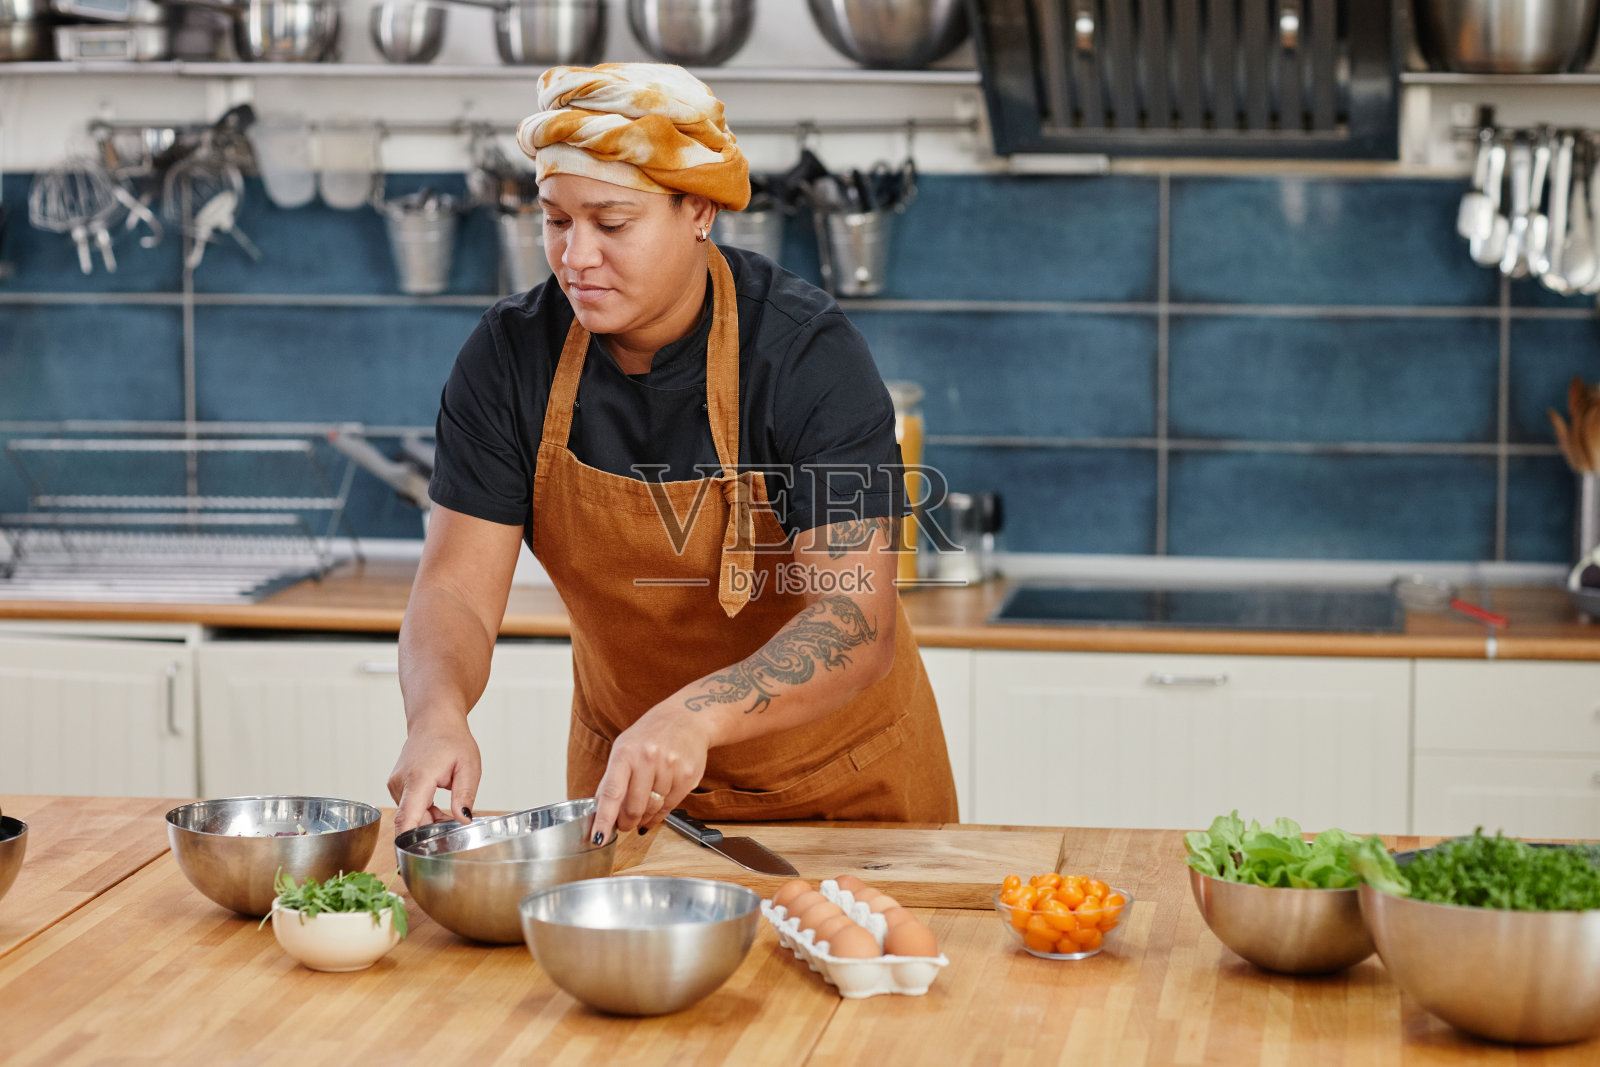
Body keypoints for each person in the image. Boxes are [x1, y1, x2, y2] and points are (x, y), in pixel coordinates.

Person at [388, 62, 957, 841]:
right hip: (633, 801)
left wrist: (698, 714)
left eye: (611, 223)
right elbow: (454, 589)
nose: (575, 257)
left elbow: (855, 618)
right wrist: (437, 714)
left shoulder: (805, 355)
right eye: (555, 220)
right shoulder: (510, 358)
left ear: (698, 210)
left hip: (846, 797)